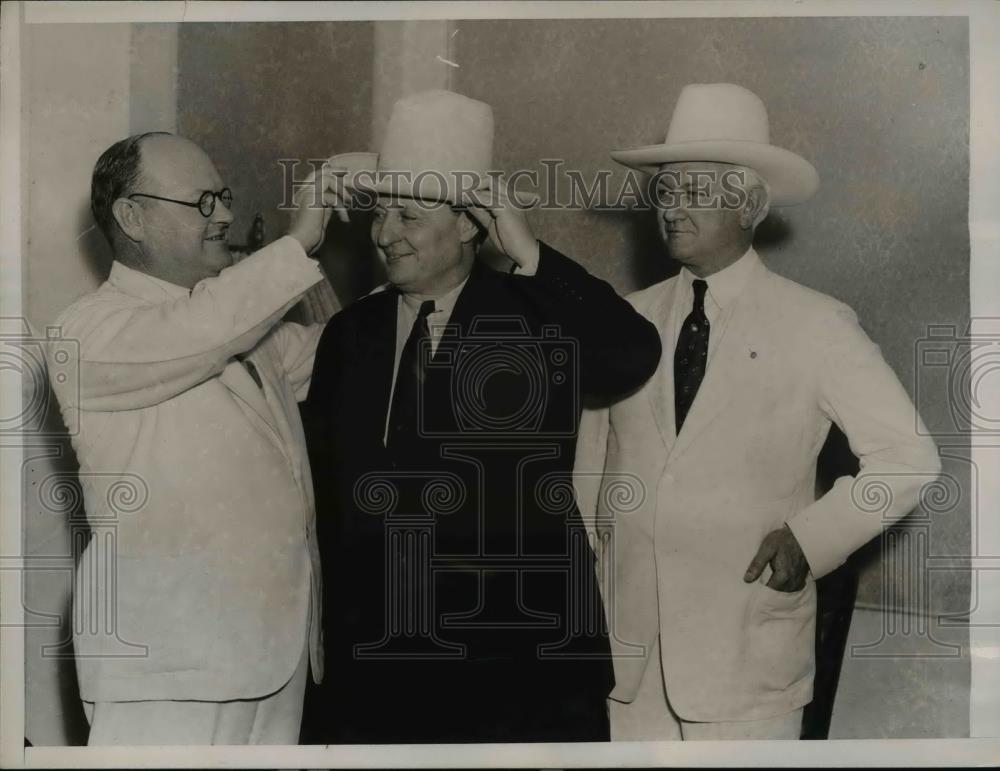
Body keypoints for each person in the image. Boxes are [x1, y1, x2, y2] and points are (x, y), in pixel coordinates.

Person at [574, 83, 942, 741]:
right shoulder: (624, 319)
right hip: (626, 662)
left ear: (748, 205)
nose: (672, 209)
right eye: (666, 190)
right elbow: (588, 467)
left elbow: (910, 457)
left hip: (747, 662)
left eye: (696, 191)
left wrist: (810, 537)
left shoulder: (816, 325)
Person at [300, 89, 662, 744]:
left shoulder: (535, 316)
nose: (384, 234)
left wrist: (532, 251)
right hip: (377, 677)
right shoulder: (349, 335)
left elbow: (630, 354)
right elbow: (326, 499)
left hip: (519, 678)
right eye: (380, 211)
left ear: (470, 224)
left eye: (408, 214)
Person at [47, 131, 345, 745]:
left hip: (271, 657)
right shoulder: (86, 332)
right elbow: (204, 331)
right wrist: (299, 241)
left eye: (224, 197)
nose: (227, 215)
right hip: (167, 668)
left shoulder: (243, 329)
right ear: (132, 215)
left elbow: (351, 352)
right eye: (202, 201)